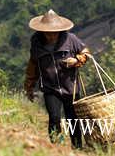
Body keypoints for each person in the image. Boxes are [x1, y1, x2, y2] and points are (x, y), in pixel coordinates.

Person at [24, 9, 91, 149]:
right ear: (42, 31)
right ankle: (56, 147)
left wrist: (77, 60)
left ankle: (77, 148)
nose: (51, 35)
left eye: (54, 32)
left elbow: (85, 53)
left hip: (71, 88)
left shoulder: (70, 39)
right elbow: (33, 64)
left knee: (72, 120)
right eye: (47, 32)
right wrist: (29, 85)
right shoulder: (36, 43)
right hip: (50, 88)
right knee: (54, 118)